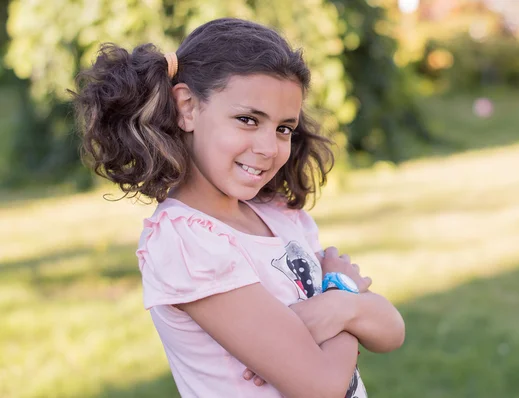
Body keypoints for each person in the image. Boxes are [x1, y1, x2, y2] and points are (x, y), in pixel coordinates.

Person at [72, 17, 405, 398]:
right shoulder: (186, 242)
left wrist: (337, 310)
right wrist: (343, 295)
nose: (269, 147)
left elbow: (392, 331)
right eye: (248, 120)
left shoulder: (280, 214)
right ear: (188, 107)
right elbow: (324, 387)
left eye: (284, 128)